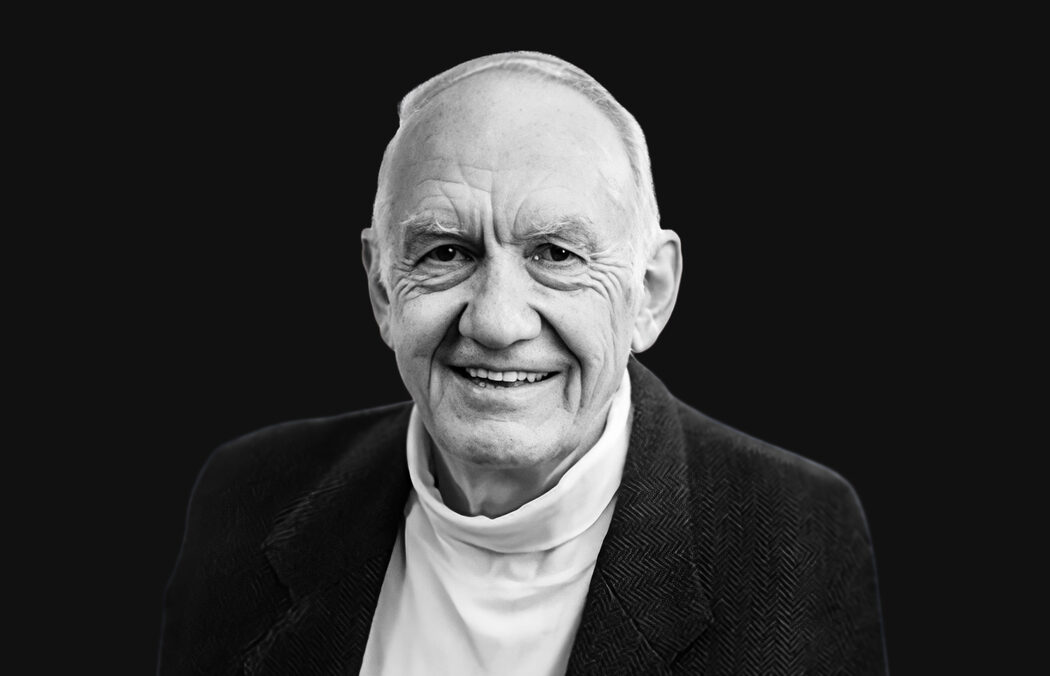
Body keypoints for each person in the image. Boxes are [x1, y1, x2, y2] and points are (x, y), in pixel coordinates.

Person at [159, 51, 887, 675]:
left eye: (556, 255)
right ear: (382, 288)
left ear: (650, 293)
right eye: (446, 251)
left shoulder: (795, 535)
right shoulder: (247, 495)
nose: (498, 322)